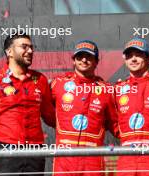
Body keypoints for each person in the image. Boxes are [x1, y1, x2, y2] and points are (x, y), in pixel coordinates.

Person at [0, 32, 56, 176]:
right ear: (9, 52)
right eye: (24, 47)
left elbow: (50, 116)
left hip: (35, 150)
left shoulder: (41, 79)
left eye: (31, 47)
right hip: (5, 150)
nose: (30, 51)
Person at [51, 40, 118, 176]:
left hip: (92, 159)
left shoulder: (106, 90)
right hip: (64, 159)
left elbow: (116, 125)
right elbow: (43, 110)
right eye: (79, 56)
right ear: (73, 60)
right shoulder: (58, 84)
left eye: (88, 57)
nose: (84, 60)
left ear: (96, 61)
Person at [114, 37, 149, 176]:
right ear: (125, 59)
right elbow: (112, 120)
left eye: (138, 54)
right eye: (129, 55)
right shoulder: (117, 88)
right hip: (126, 155)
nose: (133, 59)